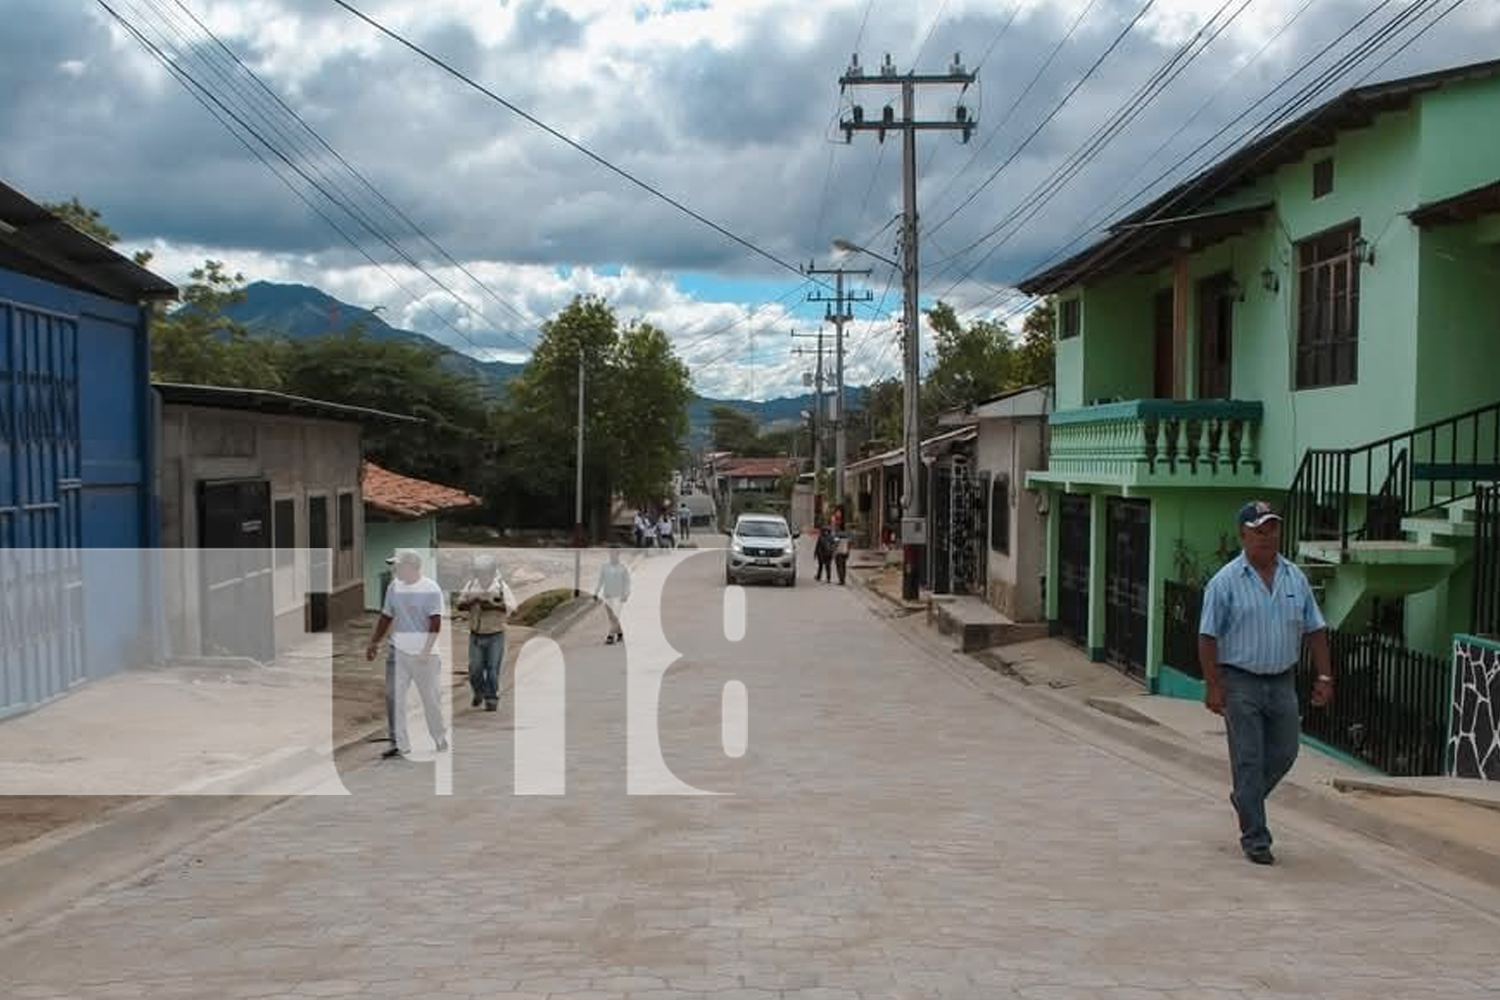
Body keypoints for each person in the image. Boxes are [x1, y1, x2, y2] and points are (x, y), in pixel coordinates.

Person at [1198, 500, 1334, 866]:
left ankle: (1246, 797)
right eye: (1259, 530)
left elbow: (1316, 629)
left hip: (1282, 681)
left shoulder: (1295, 578)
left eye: (1272, 528)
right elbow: (1207, 636)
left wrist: (1324, 675)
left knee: (1286, 751)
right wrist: (1213, 684)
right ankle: (1256, 838)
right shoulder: (1224, 582)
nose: (1267, 536)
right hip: (1239, 681)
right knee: (1248, 758)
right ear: (1243, 535)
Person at [366, 549, 448, 758]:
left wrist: (425, 652)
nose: (394, 570)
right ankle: (398, 743)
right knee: (394, 697)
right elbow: (386, 616)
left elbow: (435, 623)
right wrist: (374, 642)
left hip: (425, 656)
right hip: (398, 652)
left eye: (398, 566)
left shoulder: (431, 589)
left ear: (411, 567)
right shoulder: (394, 587)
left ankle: (439, 736)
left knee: (430, 700)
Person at [456, 554, 516, 712]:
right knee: (474, 668)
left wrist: (492, 606)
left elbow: (512, 607)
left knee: (492, 668)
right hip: (476, 634)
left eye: (484, 572)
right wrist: (471, 602)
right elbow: (460, 605)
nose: (481, 575)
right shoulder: (470, 586)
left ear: (491, 572)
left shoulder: (501, 587)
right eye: (478, 572)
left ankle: (491, 698)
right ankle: (479, 691)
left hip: (495, 633)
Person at [593, 548, 632, 645]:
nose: (612, 557)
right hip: (607, 595)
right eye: (611, 555)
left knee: (615, 616)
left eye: (614, 555)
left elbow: (627, 583)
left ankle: (610, 636)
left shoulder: (623, 568)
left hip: (619, 596)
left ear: (618, 555)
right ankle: (620, 633)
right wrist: (596, 592)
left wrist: (626, 594)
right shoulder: (605, 567)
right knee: (612, 617)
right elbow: (600, 580)